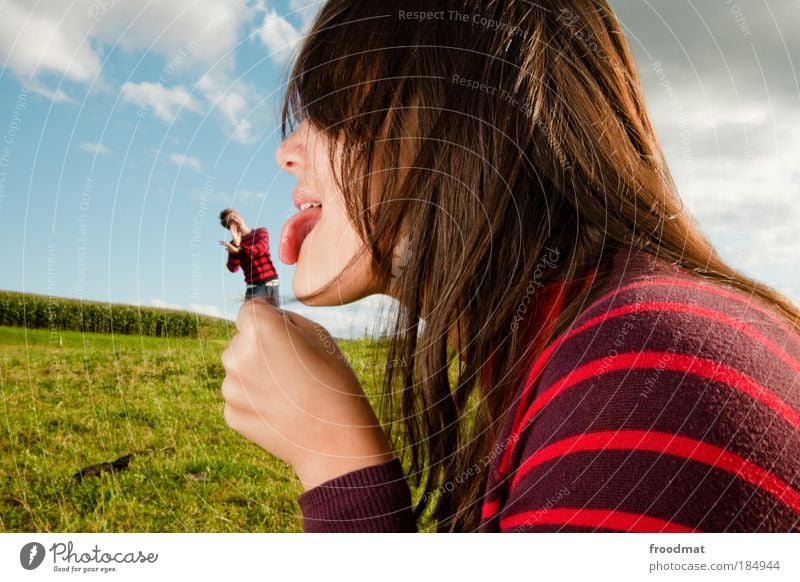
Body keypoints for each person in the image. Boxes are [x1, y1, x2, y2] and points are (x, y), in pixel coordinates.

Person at [220, 0, 800, 532]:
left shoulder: (645, 379)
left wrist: (338, 465)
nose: (286, 150)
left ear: (463, 119)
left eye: (333, 108)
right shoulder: (601, 348)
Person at [218, 208, 280, 307]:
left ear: (240, 217)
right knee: (253, 321)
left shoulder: (261, 232)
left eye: (234, 216)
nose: (235, 220)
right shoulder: (233, 244)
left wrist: (239, 249)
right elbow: (232, 268)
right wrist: (236, 247)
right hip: (255, 288)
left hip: (273, 285)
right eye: (231, 221)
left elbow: (260, 248)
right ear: (230, 228)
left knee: (274, 321)